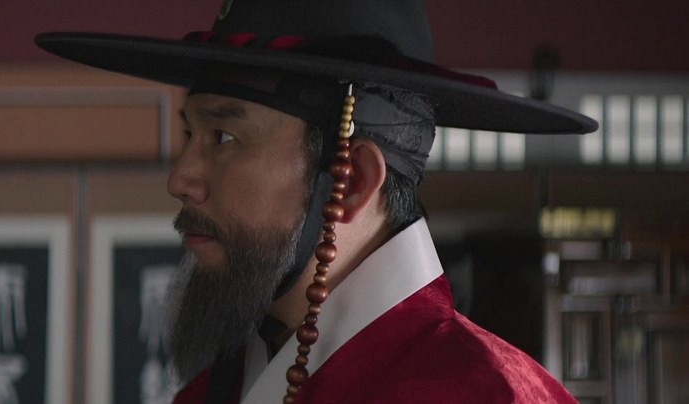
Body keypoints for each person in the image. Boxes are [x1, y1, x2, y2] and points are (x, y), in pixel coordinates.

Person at [37, 1, 597, 402]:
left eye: (224, 137)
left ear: (351, 180)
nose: (181, 179)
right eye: (190, 134)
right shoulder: (216, 391)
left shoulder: (487, 393)